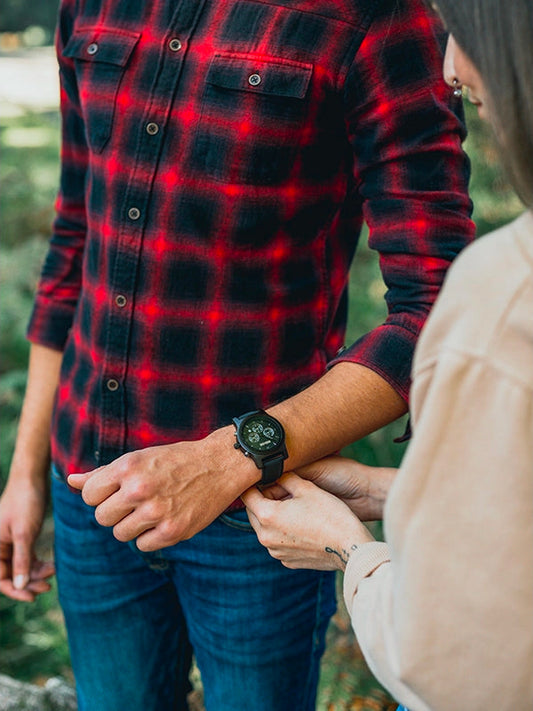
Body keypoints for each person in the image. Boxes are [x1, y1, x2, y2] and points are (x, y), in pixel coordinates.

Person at [0, 0, 475, 709]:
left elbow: (437, 309)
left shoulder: (380, 17)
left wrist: (228, 458)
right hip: (90, 493)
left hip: (260, 513)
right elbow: (78, 233)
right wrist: (25, 468)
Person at [242, 1, 533, 709]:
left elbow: (453, 664)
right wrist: (390, 494)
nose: (446, 68)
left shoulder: (504, 295)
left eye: (459, 34)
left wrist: (349, 548)